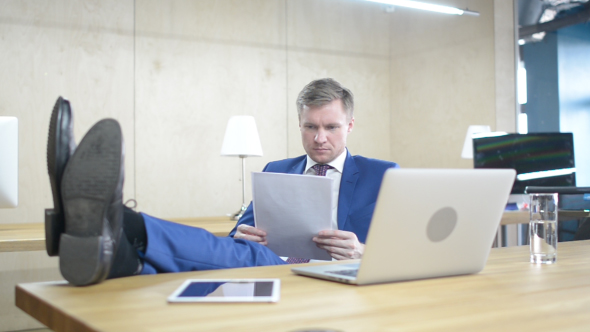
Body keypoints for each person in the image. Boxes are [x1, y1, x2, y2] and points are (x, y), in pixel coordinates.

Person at [46, 78, 398, 286]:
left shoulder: (382, 174)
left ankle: (121, 223)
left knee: (228, 255)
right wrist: (243, 234)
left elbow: (412, 254)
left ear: (349, 126)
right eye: (310, 127)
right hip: (270, 267)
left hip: (332, 278)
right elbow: (236, 239)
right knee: (226, 253)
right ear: (300, 124)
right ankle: (121, 257)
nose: (320, 138)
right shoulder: (277, 168)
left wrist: (362, 252)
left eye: (331, 127)